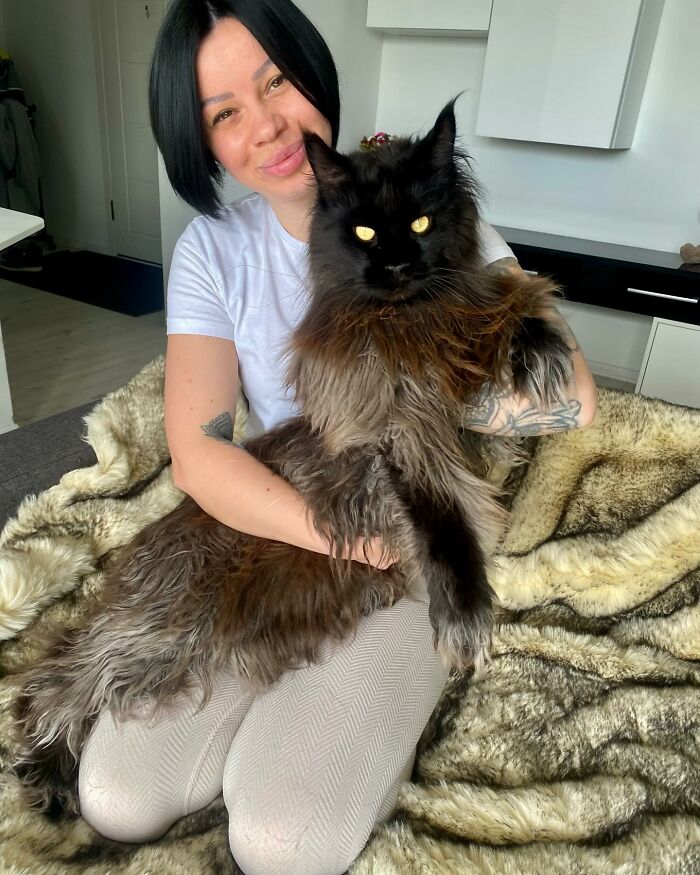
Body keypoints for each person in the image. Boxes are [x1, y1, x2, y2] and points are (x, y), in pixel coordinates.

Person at [77, 2, 598, 873]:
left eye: (275, 81)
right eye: (225, 113)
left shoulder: (424, 207)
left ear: (313, 73)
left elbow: (570, 399)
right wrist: (327, 534)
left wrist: (404, 401)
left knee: (282, 839)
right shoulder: (215, 250)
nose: (267, 122)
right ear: (200, 144)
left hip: (412, 540)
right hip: (291, 526)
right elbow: (201, 450)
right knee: (118, 798)